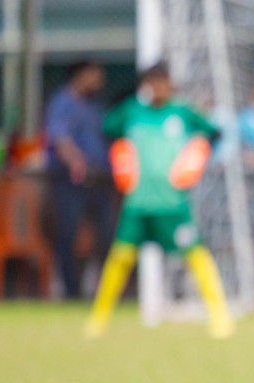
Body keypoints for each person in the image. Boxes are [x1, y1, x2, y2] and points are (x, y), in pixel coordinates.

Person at [87, 63, 233, 339]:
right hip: (138, 204)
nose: (159, 88)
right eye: (153, 83)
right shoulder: (131, 112)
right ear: (146, 85)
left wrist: (196, 157)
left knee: (197, 256)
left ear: (170, 83)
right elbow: (107, 130)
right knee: (120, 259)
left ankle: (219, 317)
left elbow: (214, 133)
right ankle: (99, 320)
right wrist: (122, 163)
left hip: (173, 205)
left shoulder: (182, 112)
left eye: (163, 82)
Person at [45, 60, 116, 298]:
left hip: (101, 180)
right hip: (72, 181)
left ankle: (102, 289)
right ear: (80, 75)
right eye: (94, 75)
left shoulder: (95, 105)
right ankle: (69, 291)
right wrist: (78, 164)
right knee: (69, 236)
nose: (99, 81)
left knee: (106, 236)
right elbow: (61, 140)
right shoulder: (63, 102)